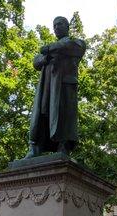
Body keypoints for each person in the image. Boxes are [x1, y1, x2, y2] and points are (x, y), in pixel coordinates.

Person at [25, 16, 86, 158]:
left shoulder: (77, 43)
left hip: (64, 86)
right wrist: (44, 57)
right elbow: (36, 62)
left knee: (63, 115)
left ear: (67, 27)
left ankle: (63, 146)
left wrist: (48, 49)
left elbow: (70, 47)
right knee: (42, 115)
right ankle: (36, 147)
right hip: (46, 88)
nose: (56, 27)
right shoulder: (50, 51)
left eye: (59, 24)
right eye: (54, 26)